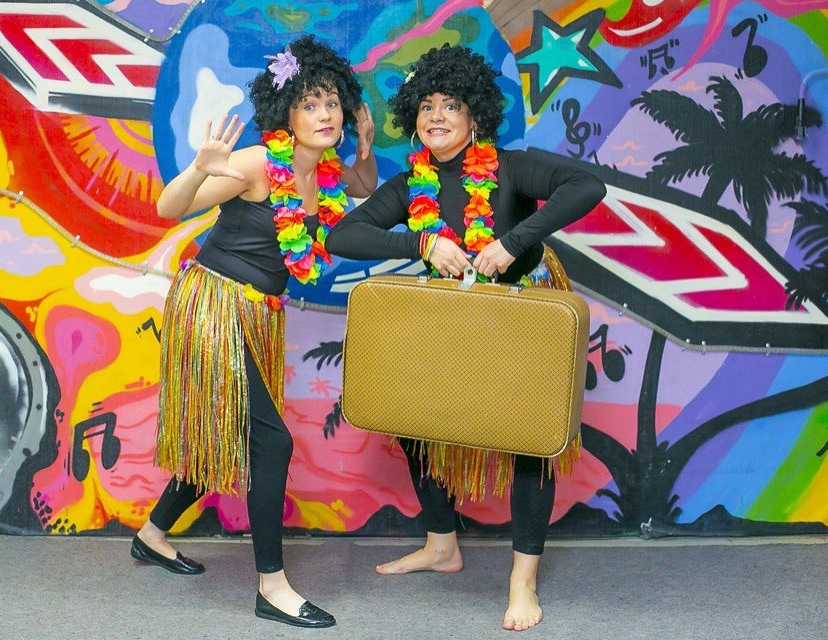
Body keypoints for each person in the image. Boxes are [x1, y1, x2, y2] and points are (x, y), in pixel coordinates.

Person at [325, 44, 605, 631]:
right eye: (426, 106)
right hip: (452, 318)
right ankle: (441, 544)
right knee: (414, 419)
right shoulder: (411, 184)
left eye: (451, 105)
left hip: (522, 313)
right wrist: (422, 243)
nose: (436, 116)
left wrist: (512, 241)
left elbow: (587, 185)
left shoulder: (511, 167)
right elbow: (342, 236)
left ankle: (523, 581)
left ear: (474, 114)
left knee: (530, 438)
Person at [130, 35, 376, 629]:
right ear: (286, 114)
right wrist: (198, 167)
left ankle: (151, 534)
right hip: (214, 306)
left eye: (332, 103)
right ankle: (272, 588)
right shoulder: (259, 164)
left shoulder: (326, 172)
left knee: (223, 431)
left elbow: (365, 187)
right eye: (310, 104)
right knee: (272, 442)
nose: (325, 114)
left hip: (259, 312)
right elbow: (168, 209)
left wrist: (366, 147)